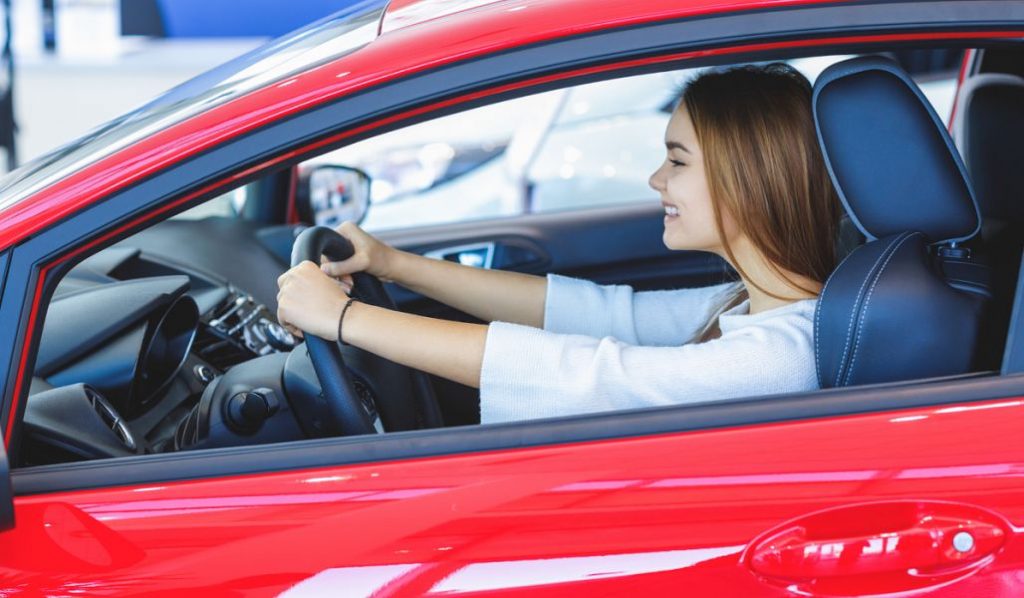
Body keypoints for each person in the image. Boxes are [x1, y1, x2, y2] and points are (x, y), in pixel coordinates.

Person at [275, 63, 843, 424]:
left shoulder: (776, 356)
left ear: (749, 179)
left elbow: (574, 373)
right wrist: (392, 263)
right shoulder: (753, 309)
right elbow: (589, 313)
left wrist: (346, 319)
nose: (656, 179)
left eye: (676, 161)